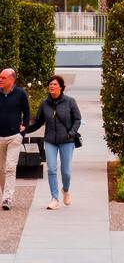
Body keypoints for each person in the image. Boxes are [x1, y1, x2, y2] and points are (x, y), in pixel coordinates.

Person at [27, 75, 81, 211]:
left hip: (67, 140)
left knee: (66, 171)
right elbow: (38, 122)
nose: (52, 86)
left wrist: (72, 133)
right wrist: (24, 130)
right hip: (50, 140)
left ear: (61, 87)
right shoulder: (45, 104)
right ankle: (54, 198)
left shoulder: (70, 102)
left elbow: (77, 119)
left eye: (55, 84)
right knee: (51, 169)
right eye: (50, 84)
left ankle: (66, 190)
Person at [0, 67, 29, 211]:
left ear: (12, 79)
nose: (0, 79)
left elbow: (27, 113)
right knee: (1, 169)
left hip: (14, 138)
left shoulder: (20, 94)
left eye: (3, 78)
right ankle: (4, 192)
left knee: (10, 167)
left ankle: (7, 198)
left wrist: (22, 133)